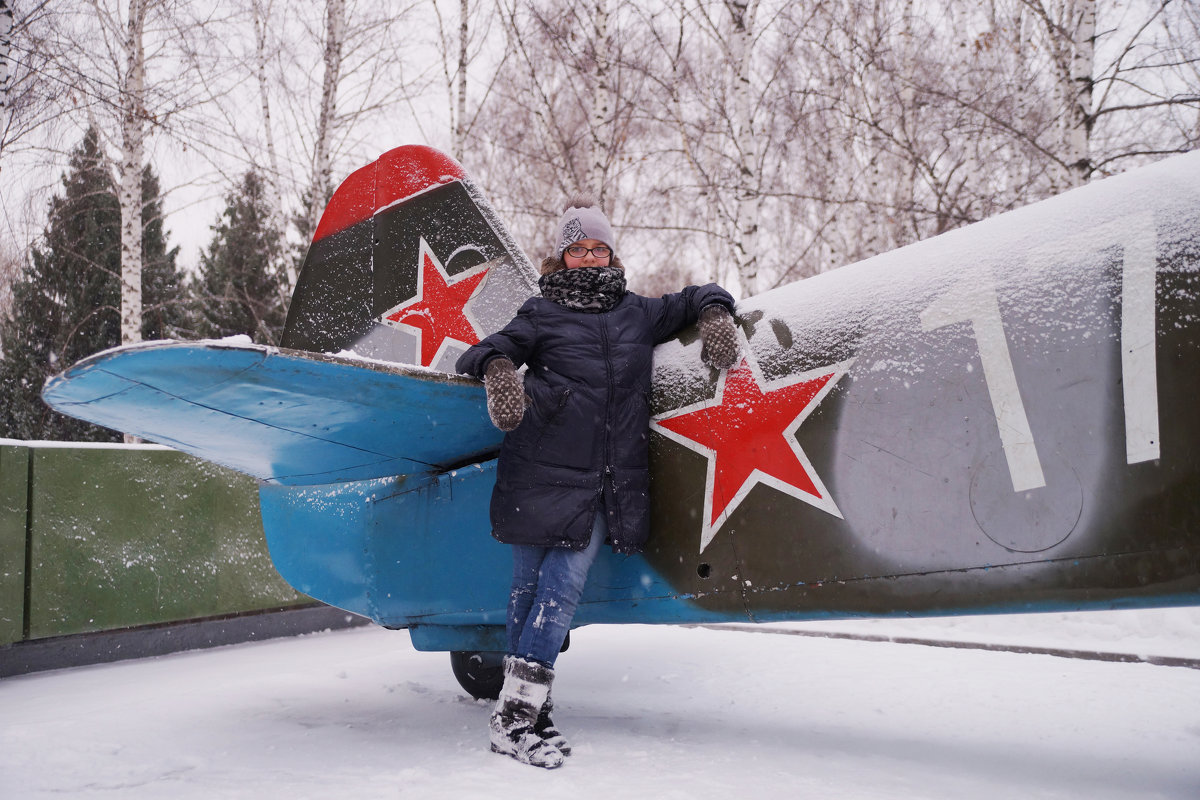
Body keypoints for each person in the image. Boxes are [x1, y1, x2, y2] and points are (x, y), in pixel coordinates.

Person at [455, 197, 740, 768]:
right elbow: (484, 350)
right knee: (528, 593)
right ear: (562, 260)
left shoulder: (638, 313)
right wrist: (498, 371)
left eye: (598, 247)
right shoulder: (540, 313)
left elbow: (698, 292)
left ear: (611, 253)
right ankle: (523, 717)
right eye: (577, 249)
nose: (588, 257)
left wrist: (714, 315)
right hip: (538, 471)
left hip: (598, 482)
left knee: (557, 591)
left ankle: (519, 715)